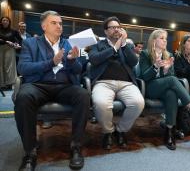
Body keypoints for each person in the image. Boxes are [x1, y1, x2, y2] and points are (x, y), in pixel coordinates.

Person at [14, 11, 90, 170]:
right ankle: (30, 152)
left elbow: (77, 70)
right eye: (54, 23)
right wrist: (51, 62)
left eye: (61, 23)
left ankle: (76, 147)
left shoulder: (67, 44)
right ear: (43, 26)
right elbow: (23, 68)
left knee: (83, 95)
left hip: (63, 86)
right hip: (38, 85)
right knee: (23, 97)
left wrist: (72, 60)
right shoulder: (31, 43)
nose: (59, 26)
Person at [139, 29, 190, 150]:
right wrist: (156, 66)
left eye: (165, 38)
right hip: (150, 88)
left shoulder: (168, 55)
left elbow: (171, 76)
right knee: (172, 80)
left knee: (171, 94)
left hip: (165, 87)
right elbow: (144, 77)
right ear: (154, 40)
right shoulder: (145, 54)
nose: (165, 41)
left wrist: (166, 69)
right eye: (162, 38)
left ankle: (169, 132)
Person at [88, 16, 144, 150]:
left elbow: (134, 62)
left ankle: (121, 130)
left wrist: (123, 45)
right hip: (104, 82)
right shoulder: (98, 45)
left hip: (126, 83)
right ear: (106, 31)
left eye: (118, 27)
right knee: (101, 104)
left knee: (138, 103)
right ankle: (108, 132)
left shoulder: (127, 46)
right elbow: (94, 59)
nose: (116, 30)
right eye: (113, 28)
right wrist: (114, 48)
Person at [0, 16, 22, 89]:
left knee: (9, 66)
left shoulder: (13, 31)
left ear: (9, 22)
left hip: (10, 49)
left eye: (7, 20)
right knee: (1, 66)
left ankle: (9, 83)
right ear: (1, 21)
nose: (5, 21)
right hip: (1, 48)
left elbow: (19, 40)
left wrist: (16, 44)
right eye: (3, 20)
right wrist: (5, 41)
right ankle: (2, 84)